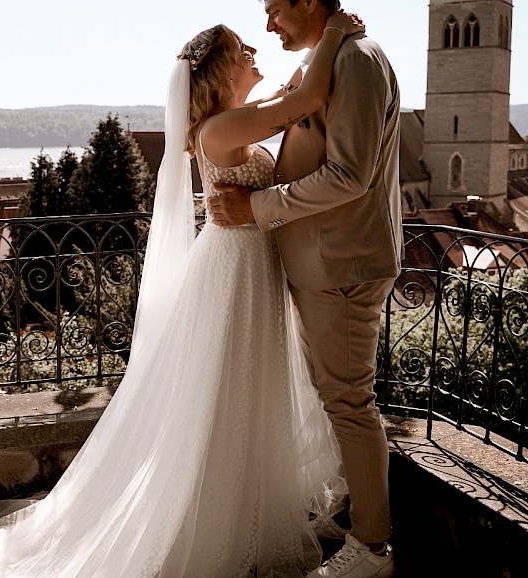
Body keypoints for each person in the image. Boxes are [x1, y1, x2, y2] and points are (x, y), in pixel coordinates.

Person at [0, 14, 362, 578]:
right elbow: (307, 98)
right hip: (234, 275)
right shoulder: (220, 132)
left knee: (248, 386)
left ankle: (246, 507)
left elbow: (290, 96)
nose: (254, 48)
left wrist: (305, 66)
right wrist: (334, 35)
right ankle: (216, 520)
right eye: (240, 48)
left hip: (247, 268)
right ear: (220, 71)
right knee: (229, 392)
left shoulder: (233, 123)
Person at [206, 1, 402, 577]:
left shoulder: (358, 61)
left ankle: (372, 549)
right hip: (321, 261)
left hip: (342, 262)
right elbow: (296, 104)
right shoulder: (330, 57)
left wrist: (258, 207)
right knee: (334, 397)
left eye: (274, 10)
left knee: (349, 402)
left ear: (309, 3)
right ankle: (354, 512)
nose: (268, 26)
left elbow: (349, 174)